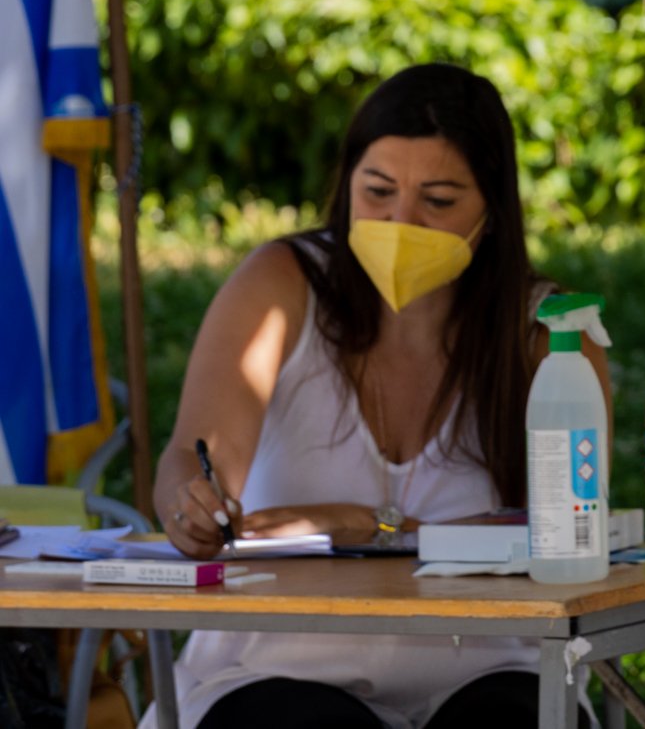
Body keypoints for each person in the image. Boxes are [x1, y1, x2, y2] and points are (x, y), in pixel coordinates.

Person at [147, 64, 612, 729]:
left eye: (440, 199)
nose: (402, 220)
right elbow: (190, 463)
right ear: (346, 189)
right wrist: (189, 506)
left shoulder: (551, 333)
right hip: (278, 667)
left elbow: (573, 537)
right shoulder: (280, 282)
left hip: (494, 667)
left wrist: (369, 524)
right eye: (379, 190)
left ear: (493, 208)